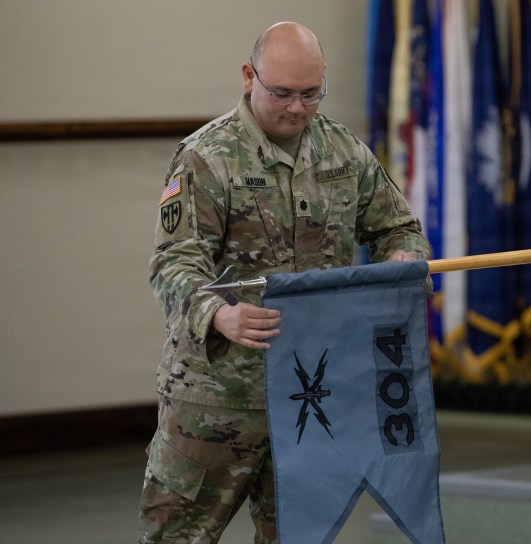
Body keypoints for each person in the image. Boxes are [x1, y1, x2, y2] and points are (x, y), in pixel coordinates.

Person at [138, 22, 429, 543]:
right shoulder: (206, 157)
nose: (297, 108)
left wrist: (402, 258)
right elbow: (174, 262)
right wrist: (218, 313)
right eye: (283, 93)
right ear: (250, 77)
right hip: (220, 395)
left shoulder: (344, 152)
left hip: (312, 392)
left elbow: (398, 227)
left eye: (311, 94)